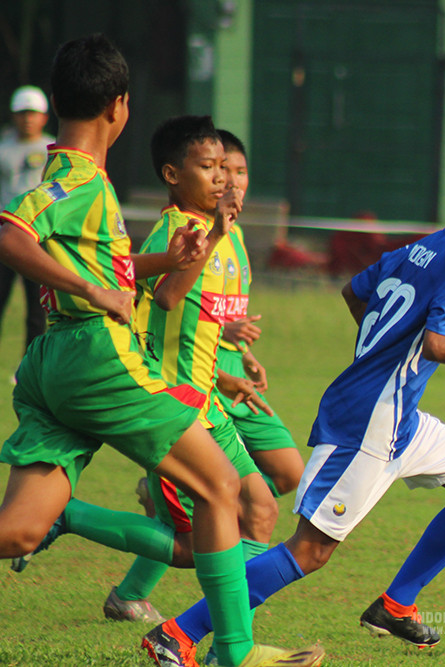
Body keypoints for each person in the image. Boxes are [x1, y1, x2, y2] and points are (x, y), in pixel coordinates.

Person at [142, 136, 445, 663]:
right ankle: (176, 634)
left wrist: (379, 350)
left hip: (396, 412)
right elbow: (436, 342)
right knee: (309, 552)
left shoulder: (425, 245)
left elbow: (354, 291)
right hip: (371, 420)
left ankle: (396, 604)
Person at [0, 34, 322, 667]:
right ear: (120, 106)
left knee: (21, 529)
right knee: (221, 487)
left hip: (54, 368)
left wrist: (150, 264)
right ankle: (233, 653)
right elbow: (11, 233)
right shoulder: (79, 179)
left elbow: (103, 261)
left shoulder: (82, 178)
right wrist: (95, 289)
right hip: (96, 358)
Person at [99, 118, 286, 633]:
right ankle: (63, 519)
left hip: (209, 397)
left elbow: (193, 318)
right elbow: (165, 296)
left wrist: (230, 357)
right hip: (177, 403)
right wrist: (216, 233)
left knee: (262, 510)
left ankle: (219, 627)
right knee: (194, 543)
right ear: (173, 175)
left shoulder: (225, 232)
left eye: (226, 168)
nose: (223, 178)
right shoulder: (176, 228)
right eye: (211, 168)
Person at [214, 129, 304, 498]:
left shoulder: (236, 236)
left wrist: (246, 354)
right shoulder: (194, 234)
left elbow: (227, 313)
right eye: (222, 169)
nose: (234, 180)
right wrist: (222, 333)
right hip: (203, 381)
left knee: (290, 475)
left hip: (240, 380)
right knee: (235, 508)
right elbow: (169, 314)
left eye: (241, 171)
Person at [0, 85, 52, 364]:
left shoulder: (52, 148)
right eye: (22, 113)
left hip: (36, 239)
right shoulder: (3, 148)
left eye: (33, 113)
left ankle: (28, 366)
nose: (27, 119)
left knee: (36, 308)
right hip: (3, 236)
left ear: (44, 116)